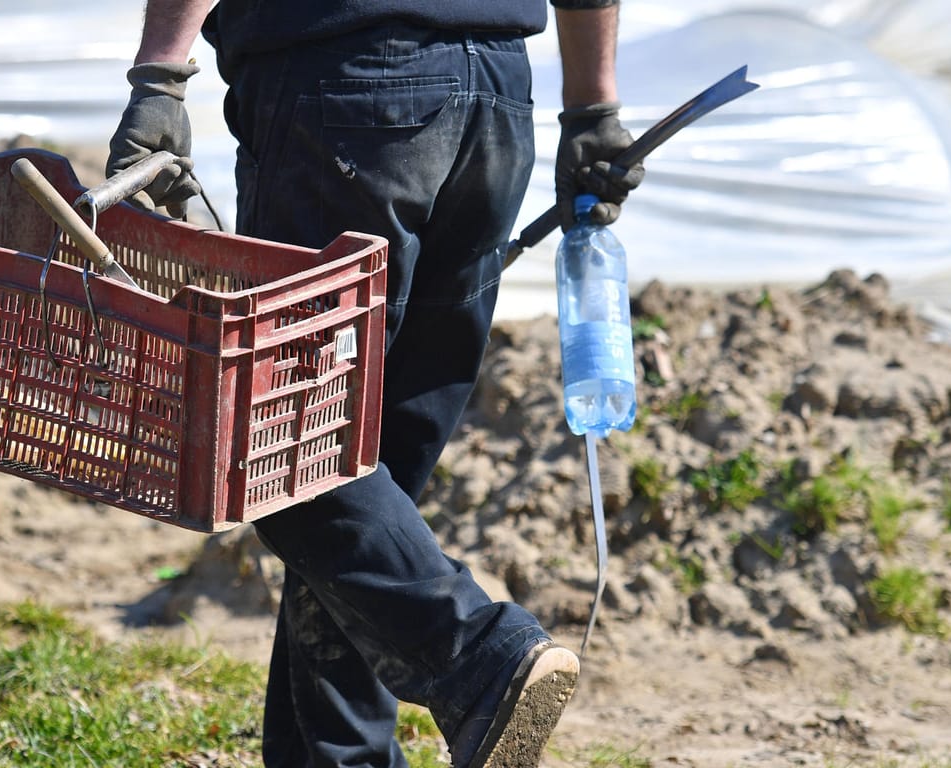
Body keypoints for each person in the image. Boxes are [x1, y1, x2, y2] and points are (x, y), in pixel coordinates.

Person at [105, 1, 644, 765]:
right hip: (493, 100)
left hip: (349, 87)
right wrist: (592, 105)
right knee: (367, 473)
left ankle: (477, 655)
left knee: (287, 451)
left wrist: (160, 75)